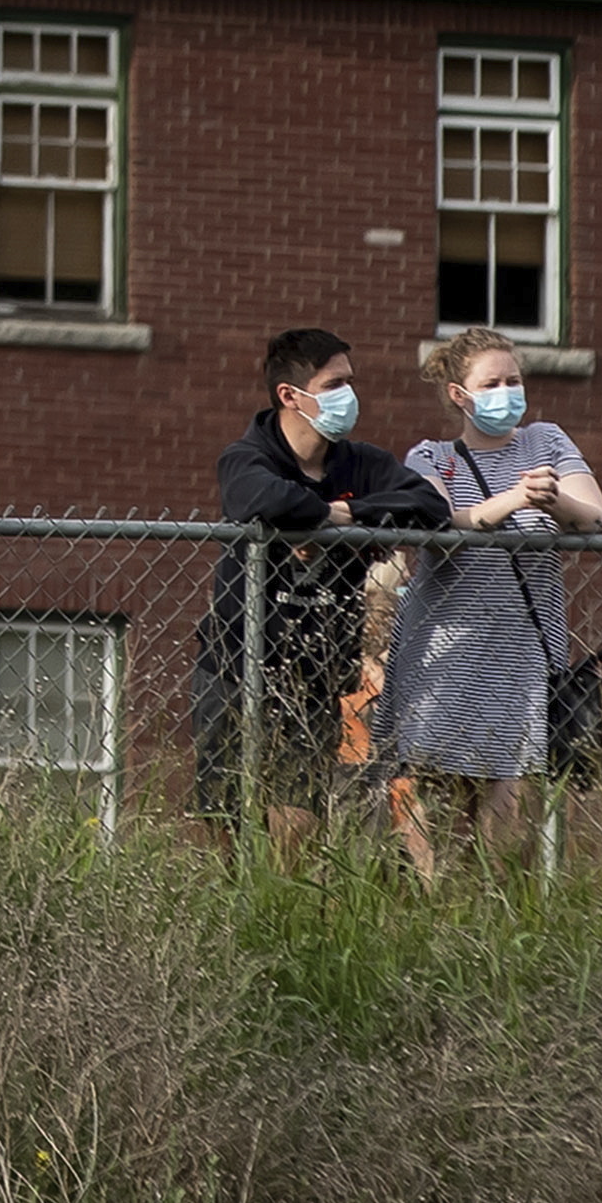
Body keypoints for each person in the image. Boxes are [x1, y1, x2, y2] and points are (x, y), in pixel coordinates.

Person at [193, 325, 441, 859]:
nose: (349, 397)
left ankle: (286, 916)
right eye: (335, 384)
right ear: (291, 395)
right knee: (223, 823)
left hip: (315, 672)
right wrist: (327, 517)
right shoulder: (250, 454)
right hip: (237, 664)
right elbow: (255, 496)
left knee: (298, 826)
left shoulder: (362, 464)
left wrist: (346, 514)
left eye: (350, 382)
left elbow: (427, 505)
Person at [379, 326, 602, 880]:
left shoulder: (546, 442)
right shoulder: (432, 457)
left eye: (514, 380)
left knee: (508, 832)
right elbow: (440, 524)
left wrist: (555, 499)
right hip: (446, 657)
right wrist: (513, 498)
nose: (507, 391)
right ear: (460, 395)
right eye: (492, 383)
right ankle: (443, 932)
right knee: (442, 826)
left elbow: (600, 520)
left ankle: (499, 935)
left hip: (523, 659)